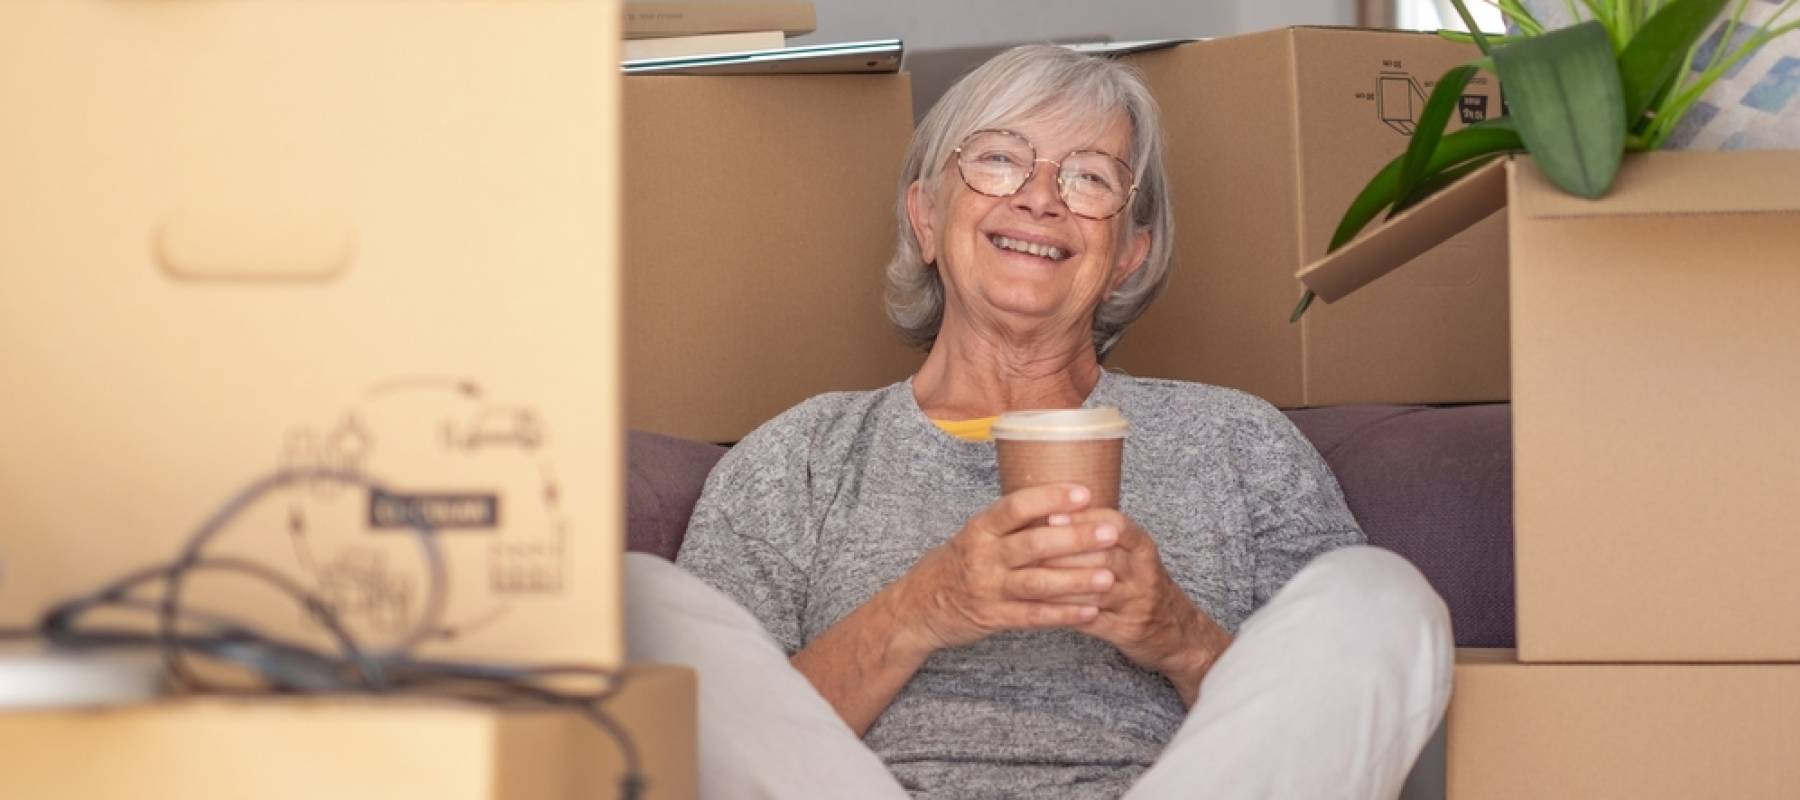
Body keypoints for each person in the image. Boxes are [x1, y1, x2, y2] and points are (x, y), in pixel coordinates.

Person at [626, 44, 1452, 799]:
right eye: (997, 160)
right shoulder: (801, 458)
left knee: (1381, 596)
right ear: (925, 217)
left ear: (1129, 249)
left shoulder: (1237, 443)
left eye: (1090, 177)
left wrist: (1179, 634)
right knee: (636, 599)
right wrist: (922, 607)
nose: (1041, 198)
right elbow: (714, 747)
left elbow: (1331, 728)